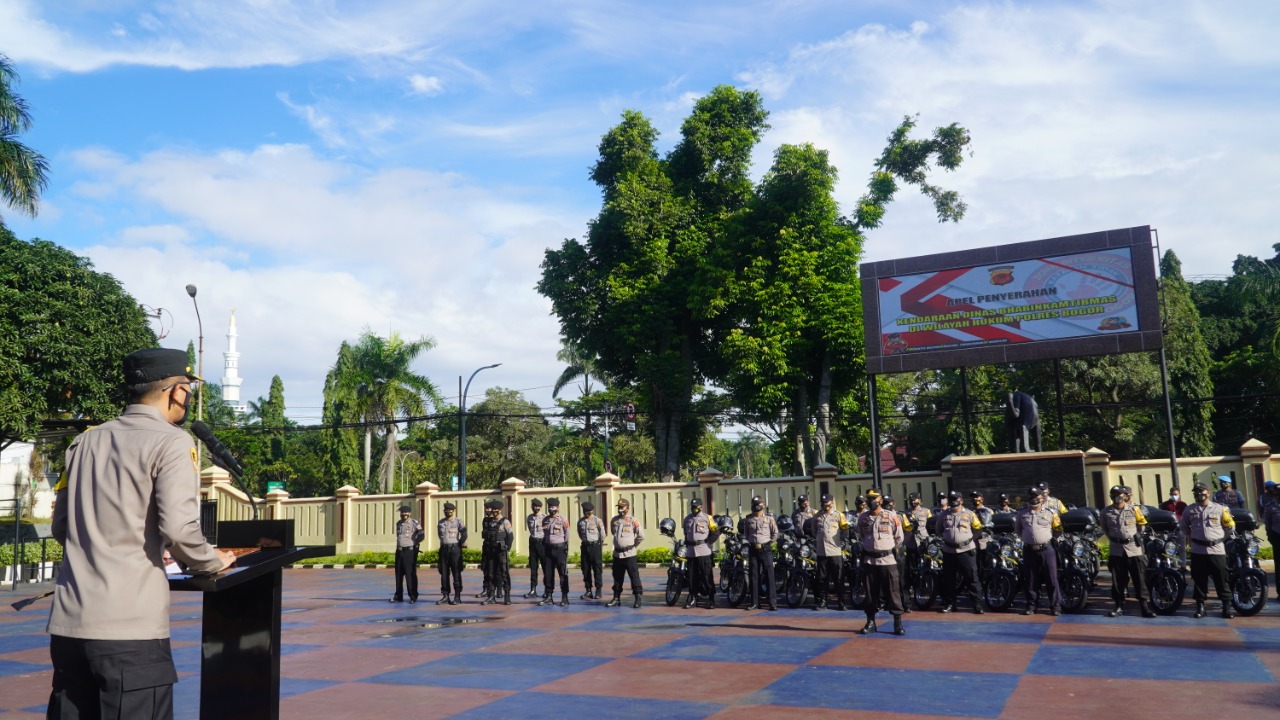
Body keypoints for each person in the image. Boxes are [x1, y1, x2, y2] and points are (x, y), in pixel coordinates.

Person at [47, 347, 236, 720]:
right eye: (189, 389)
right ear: (175, 390)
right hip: (129, 633)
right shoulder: (171, 441)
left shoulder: (83, 442)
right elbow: (179, 528)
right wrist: (212, 561)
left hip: (69, 627)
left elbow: (62, 526)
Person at [1181, 482, 1236, 618]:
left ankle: (1226, 607)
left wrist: (1219, 539)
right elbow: (1184, 527)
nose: (1199, 495)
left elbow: (1230, 527)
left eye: (1202, 492)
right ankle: (1200, 606)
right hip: (1198, 550)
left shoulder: (1220, 509)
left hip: (1216, 550)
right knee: (1199, 580)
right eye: (1196, 492)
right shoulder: (1190, 509)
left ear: (1208, 493)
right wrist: (1192, 537)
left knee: (1221, 579)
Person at [856, 489, 906, 635]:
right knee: (870, 593)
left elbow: (899, 538)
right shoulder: (863, 518)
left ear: (881, 501)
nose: (871, 501)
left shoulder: (891, 516)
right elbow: (862, 535)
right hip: (870, 561)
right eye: (869, 498)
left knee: (893, 592)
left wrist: (886, 549)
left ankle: (897, 623)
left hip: (887, 561)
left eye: (874, 498)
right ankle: (871, 622)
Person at [1101, 486, 1155, 618]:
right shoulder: (1105, 512)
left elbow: (1141, 526)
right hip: (1117, 549)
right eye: (1114, 494)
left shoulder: (1134, 509)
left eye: (1120, 494)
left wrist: (1133, 536)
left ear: (1125, 495)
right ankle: (1118, 606)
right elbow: (1105, 529)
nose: (1117, 496)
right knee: (1118, 580)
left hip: (1134, 549)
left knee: (1139, 579)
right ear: (1111, 496)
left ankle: (1144, 607)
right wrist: (1116, 539)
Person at [1015, 485, 1062, 615]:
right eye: (1031, 496)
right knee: (1030, 579)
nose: (1033, 498)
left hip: (1046, 550)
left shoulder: (1051, 512)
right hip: (1029, 550)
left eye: (1036, 496)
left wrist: (1048, 540)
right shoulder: (1022, 512)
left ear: (1042, 498)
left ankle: (1055, 606)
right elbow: (1018, 530)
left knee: (1051, 579)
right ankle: (1031, 605)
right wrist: (1028, 539)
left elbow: (1058, 529)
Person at [938, 490, 984, 614]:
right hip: (949, 551)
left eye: (956, 499)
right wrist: (949, 538)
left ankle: (977, 604)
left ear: (961, 501)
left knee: (972, 578)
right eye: (951, 499)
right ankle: (949, 604)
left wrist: (969, 540)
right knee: (949, 579)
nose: (953, 501)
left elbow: (978, 528)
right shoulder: (944, 514)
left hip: (966, 550)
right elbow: (939, 530)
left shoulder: (969, 514)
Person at [812, 493, 849, 611]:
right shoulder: (817, 516)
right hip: (822, 551)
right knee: (822, 578)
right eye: (823, 502)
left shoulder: (839, 515)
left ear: (832, 502)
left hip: (835, 551)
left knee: (838, 578)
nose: (825, 504)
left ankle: (841, 602)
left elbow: (844, 532)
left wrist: (839, 543)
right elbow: (814, 531)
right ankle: (823, 602)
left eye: (827, 502)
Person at [606, 498, 645, 608]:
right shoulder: (614, 520)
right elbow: (613, 532)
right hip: (617, 554)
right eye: (618, 507)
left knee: (634, 577)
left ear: (627, 508)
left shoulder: (633, 520)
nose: (619, 509)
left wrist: (632, 546)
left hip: (629, 554)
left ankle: (637, 598)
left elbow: (641, 536)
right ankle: (616, 598)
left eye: (622, 507)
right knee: (617, 577)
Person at [682, 497, 718, 609]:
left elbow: (715, 533)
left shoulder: (708, 518)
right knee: (692, 577)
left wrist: (708, 543)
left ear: (701, 506)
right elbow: (686, 534)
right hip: (691, 552)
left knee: (706, 576)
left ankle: (711, 599)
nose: (694, 508)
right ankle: (693, 597)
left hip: (703, 551)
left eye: (696, 506)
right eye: (692, 506)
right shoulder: (687, 519)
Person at [743, 498, 779, 611]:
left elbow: (775, 533)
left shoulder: (769, 519)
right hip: (753, 549)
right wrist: (751, 542)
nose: (756, 507)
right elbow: (746, 534)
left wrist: (768, 543)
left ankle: (772, 603)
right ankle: (754, 602)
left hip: (765, 549)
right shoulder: (748, 519)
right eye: (754, 504)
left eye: (758, 504)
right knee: (754, 576)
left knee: (769, 576)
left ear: (762, 505)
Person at [538, 498, 572, 606]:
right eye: (549, 507)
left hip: (560, 549)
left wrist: (562, 545)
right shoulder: (545, 520)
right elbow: (545, 532)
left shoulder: (563, 519)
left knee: (562, 573)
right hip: (548, 549)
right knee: (548, 573)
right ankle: (549, 596)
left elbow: (567, 535)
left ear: (557, 507)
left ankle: (564, 597)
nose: (551, 509)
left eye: (553, 507)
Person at [480, 500, 513, 605]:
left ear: (500, 510)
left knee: (504, 573)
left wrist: (507, 548)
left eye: (496, 510)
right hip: (490, 551)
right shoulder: (489, 521)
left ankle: (507, 596)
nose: (494, 511)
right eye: (493, 509)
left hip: (501, 551)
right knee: (490, 573)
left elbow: (510, 536)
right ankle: (491, 596)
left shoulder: (505, 521)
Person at [903, 493, 932, 612]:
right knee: (911, 568)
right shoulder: (906, 513)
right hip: (910, 543)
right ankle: (912, 588)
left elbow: (930, 525)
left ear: (919, 500)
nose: (912, 501)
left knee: (926, 566)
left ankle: (926, 586)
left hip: (923, 542)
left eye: (914, 499)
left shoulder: (926, 511)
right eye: (910, 500)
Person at [435, 502, 465, 605]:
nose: (448, 512)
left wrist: (459, 545)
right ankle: (445, 595)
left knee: (456, 572)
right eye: (446, 510)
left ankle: (457, 596)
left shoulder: (458, 521)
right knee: (444, 574)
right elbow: (440, 536)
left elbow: (464, 534)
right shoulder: (441, 522)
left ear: (453, 511)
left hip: (454, 550)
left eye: (450, 510)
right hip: (444, 550)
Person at [577, 502, 606, 600]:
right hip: (585, 547)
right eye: (585, 511)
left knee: (597, 569)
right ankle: (588, 591)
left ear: (592, 511)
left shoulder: (597, 521)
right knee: (585, 570)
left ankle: (598, 591)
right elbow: (580, 534)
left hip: (595, 547)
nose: (587, 513)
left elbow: (603, 535)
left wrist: (597, 543)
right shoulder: (580, 522)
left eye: (589, 512)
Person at [523, 498, 546, 598]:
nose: (535, 508)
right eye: (534, 506)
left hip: (542, 543)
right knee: (533, 567)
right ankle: (533, 590)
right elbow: (530, 529)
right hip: (532, 542)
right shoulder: (529, 518)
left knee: (546, 568)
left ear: (540, 507)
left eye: (537, 506)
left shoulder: (545, 517)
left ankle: (547, 590)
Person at [1261, 482, 1280, 598]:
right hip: (1277, 538)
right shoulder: (1270, 506)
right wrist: (1271, 536)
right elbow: (1267, 523)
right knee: (1279, 566)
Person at [475, 502, 496, 598]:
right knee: (485, 568)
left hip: (495, 547)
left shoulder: (496, 520)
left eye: (488, 508)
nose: (487, 510)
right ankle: (485, 588)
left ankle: (497, 589)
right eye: (485, 508)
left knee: (496, 570)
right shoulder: (485, 520)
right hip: (486, 545)